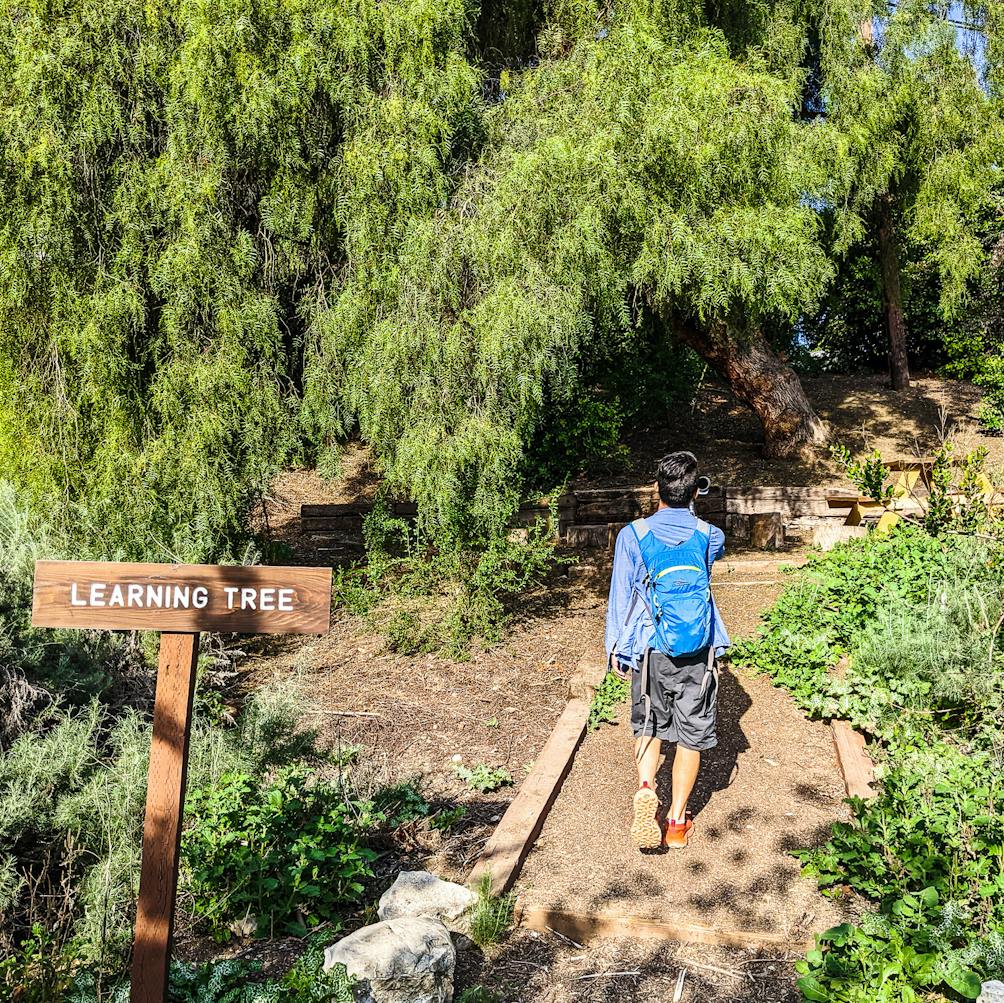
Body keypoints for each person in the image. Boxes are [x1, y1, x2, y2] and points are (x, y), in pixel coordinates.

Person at [605, 451, 730, 850]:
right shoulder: (710, 536)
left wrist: (616, 649)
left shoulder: (633, 536)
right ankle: (676, 822)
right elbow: (708, 561)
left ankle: (646, 787)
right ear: (694, 490)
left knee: (650, 725)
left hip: (650, 647)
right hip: (698, 649)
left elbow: (621, 595)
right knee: (691, 736)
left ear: (656, 488)